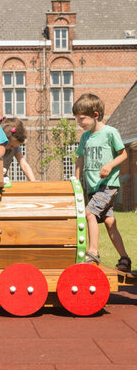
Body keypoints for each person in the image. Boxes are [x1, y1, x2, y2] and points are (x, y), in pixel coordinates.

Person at [73, 93, 131, 272]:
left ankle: (93, 252)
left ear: (95, 115)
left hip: (108, 185)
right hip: (93, 187)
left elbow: (124, 154)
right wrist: (75, 180)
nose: (78, 123)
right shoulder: (85, 137)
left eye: (81, 119)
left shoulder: (110, 133)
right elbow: (80, 159)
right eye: (77, 119)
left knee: (89, 214)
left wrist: (109, 165)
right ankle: (125, 259)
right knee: (109, 222)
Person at [0, 116, 36, 181]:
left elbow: (23, 164)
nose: (12, 148)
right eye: (11, 145)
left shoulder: (14, 146)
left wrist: (33, 181)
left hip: (3, 180)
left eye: (15, 146)